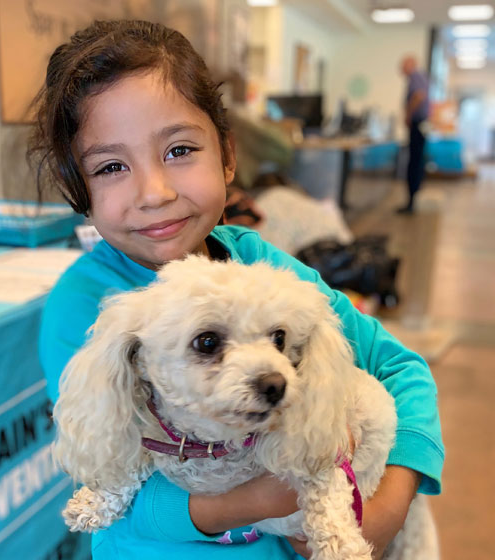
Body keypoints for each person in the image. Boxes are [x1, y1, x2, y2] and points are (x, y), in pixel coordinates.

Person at [29, 20, 444, 560]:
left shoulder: (256, 263)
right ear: (77, 189)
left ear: (226, 156)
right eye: (111, 166)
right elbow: (121, 495)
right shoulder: (83, 308)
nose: (154, 192)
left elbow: (401, 368)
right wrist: (270, 497)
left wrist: (390, 505)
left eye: (178, 150)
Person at [398, 55, 430, 214]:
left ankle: (411, 202)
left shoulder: (416, 76)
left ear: (411, 64)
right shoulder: (421, 77)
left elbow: (419, 95)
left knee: (414, 163)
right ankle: (413, 200)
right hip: (420, 125)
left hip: (417, 124)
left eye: (402, 64)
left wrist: (408, 114)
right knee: (417, 162)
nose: (400, 68)